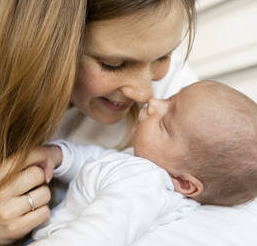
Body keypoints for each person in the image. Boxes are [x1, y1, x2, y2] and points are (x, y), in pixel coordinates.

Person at [0, 0, 256, 245]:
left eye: (165, 55)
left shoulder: (175, 92)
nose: (147, 94)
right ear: (46, 46)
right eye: (113, 64)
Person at [27, 80, 257, 245]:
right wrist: (60, 156)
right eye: (170, 98)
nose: (155, 103)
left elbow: (101, 232)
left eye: (165, 124)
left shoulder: (142, 184)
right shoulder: (144, 165)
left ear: (184, 183)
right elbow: (100, 161)